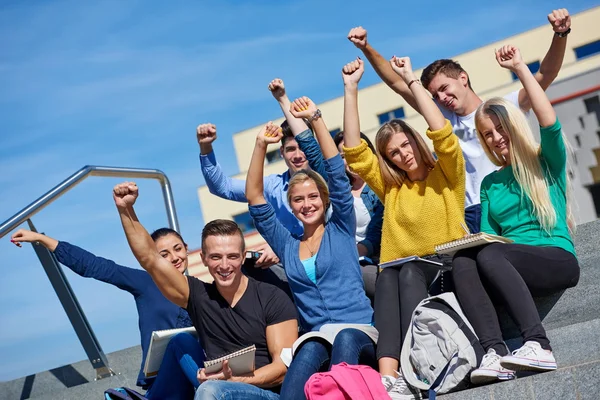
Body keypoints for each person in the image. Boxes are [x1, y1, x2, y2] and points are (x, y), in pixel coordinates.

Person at [348, 8, 572, 233]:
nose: (441, 98)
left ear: (463, 78)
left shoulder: (505, 107)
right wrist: (366, 47)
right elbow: (399, 84)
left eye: (444, 89)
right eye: (435, 96)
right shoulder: (442, 120)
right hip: (465, 211)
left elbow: (545, 74)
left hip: (509, 198)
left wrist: (560, 34)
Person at [452, 45, 580, 385]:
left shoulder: (544, 161)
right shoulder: (491, 184)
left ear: (513, 125)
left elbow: (548, 121)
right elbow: (491, 237)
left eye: (499, 129)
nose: (495, 139)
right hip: (510, 261)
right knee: (464, 260)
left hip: (555, 258)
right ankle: (494, 353)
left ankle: (538, 343)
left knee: (492, 253)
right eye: (487, 135)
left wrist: (521, 68)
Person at [341, 56, 464, 399]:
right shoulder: (392, 187)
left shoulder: (446, 174)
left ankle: (414, 367)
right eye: (393, 153)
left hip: (443, 266)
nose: (402, 155)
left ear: (416, 141)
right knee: (390, 275)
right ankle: (388, 379)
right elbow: (354, 152)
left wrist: (412, 81)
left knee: (406, 272)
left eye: (406, 145)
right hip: (400, 271)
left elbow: (442, 132)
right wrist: (350, 89)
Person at [112, 181, 298, 399]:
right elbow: (150, 259)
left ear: (242, 256)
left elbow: (282, 370)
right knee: (181, 342)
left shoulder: (271, 297)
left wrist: (234, 381)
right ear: (203, 259)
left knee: (210, 390)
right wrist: (126, 210)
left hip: (265, 393)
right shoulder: (199, 296)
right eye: (216, 257)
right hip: (217, 387)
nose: (225, 265)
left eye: (232, 256)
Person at [245, 102, 375, 400]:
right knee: (306, 355)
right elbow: (254, 196)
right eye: (299, 199)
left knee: (343, 340)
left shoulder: (341, 228)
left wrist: (316, 120)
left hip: (360, 332)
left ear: (325, 199)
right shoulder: (287, 244)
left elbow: (335, 171)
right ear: (291, 205)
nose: (307, 204)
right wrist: (260, 146)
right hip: (317, 336)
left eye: (313, 196)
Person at [10, 228, 201, 398]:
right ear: (153, 258)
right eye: (164, 254)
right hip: (164, 385)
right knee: (180, 341)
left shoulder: (202, 291)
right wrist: (42, 239)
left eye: (178, 249)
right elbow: (96, 266)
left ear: (186, 248)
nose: (175, 258)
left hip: (196, 381)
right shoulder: (145, 283)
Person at [267, 77, 383, 298]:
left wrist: (355, 251)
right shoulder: (335, 188)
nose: (351, 161)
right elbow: (308, 143)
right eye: (343, 157)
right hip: (334, 260)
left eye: (356, 154)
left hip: (370, 261)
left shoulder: (381, 187)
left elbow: (376, 235)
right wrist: (283, 99)